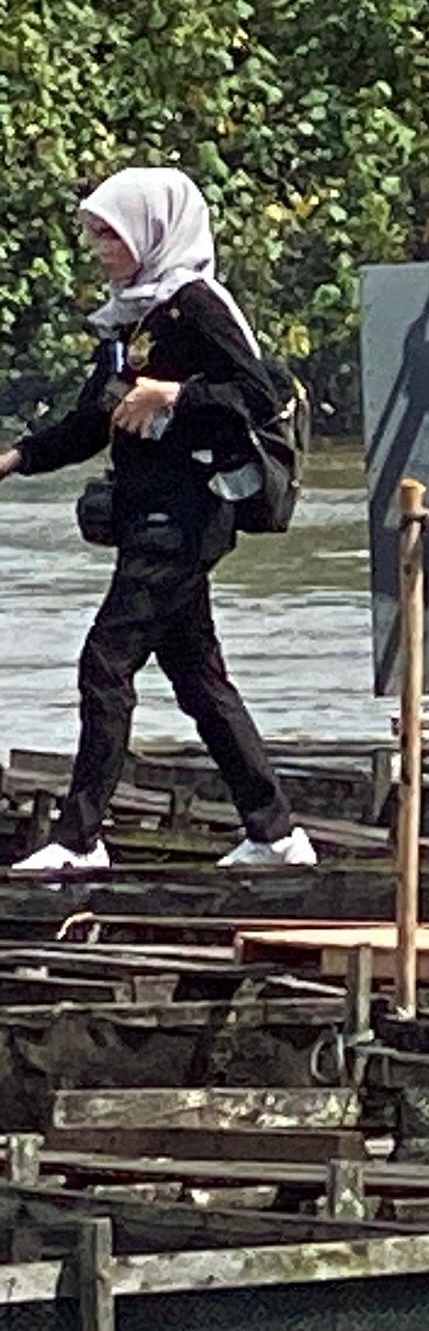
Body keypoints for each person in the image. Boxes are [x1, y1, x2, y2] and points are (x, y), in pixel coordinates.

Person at [3, 171, 312, 874]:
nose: (101, 248)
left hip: (188, 514)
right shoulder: (128, 320)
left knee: (105, 662)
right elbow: (93, 420)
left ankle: (80, 840)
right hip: (144, 515)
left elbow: (258, 395)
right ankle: (274, 832)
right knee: (197, 675)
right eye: (95, 235)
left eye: (112, 233)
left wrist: (177, 392)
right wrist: (18, 457)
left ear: (151, 230)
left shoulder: (194, 304)